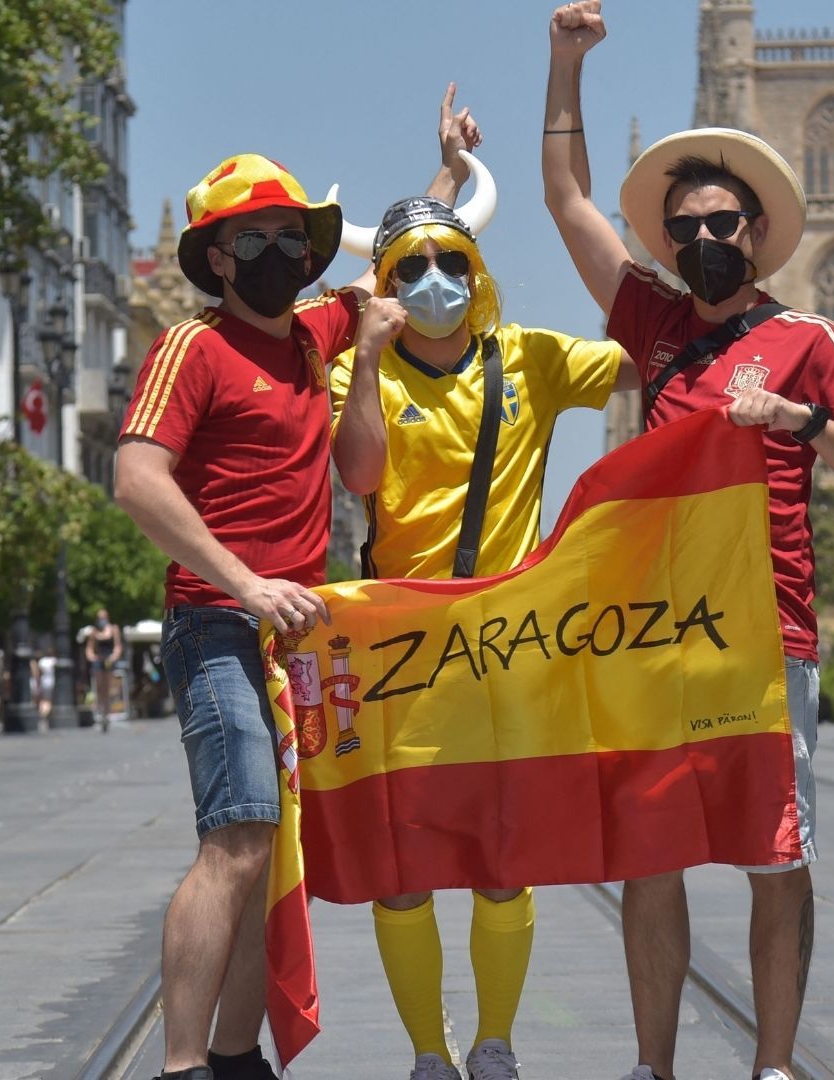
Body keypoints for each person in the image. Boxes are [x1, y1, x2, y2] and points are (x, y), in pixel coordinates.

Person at [542, 6, 834, 1078]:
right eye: (687, 226)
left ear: (756, 235)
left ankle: (775, 1068)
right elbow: (567, 199)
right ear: (669, 242)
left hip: (769, 640)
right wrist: (565, 65)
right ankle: (654, 1069)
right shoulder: (653, 327)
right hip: (654, 642)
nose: (706, 240)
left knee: (775, 860)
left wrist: (797, 422)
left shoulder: (810, 339)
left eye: (725, 224)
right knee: (651, 863)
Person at [114, 93, 481, 1080]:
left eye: (290, 234)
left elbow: (384, 273)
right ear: (219, 257)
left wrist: (444, 170)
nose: (278, 250)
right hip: (218, 626)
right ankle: (187, 1064)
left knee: (265, 853)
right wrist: (245, 581)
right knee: (235, 837)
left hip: (291, 642)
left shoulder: (315, 338)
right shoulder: (192, 348)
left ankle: (238, 1057)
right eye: (254, 238)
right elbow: (136, 478)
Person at [330, 190, 635, 1080]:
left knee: (505, 859)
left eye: (452, 263)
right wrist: (368, 348)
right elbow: (359, 472)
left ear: (480, 273)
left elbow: (644, 361)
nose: (435, 281)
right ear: (384, 286)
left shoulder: (529, 358)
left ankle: (496, 1045)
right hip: (398, 650)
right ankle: (430, 1054)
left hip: (507, 645)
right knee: (403, 866)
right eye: (411, 270)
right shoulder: (362, 371)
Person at [84, 607, 124, 724]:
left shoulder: (113, 629)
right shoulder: (94, 631)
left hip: (109, 659)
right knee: (99, 686)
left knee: (108, 687)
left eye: (103, 618)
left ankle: (106, 711)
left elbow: (117, 646)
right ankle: (101, 711)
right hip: (99, 659)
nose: (101, 620)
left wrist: (114, 656)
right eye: (99, 618)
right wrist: (92, 657)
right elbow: (89, 648)